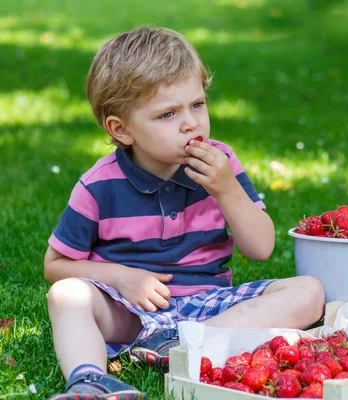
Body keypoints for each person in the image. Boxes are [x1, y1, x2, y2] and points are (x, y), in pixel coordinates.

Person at [44, 26, 325, 400]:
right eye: (168, 114)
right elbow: (56, 265)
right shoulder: (98, 185)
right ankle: (90, 380)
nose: (191, 122)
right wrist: (121, 277)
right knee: (66, 294)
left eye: (197, 104)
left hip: (209, 306)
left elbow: (261, 248)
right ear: (121, 129)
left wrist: (227, 189)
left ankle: (188, 344)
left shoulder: (220, 164)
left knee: (309, 291)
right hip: (129, 311)